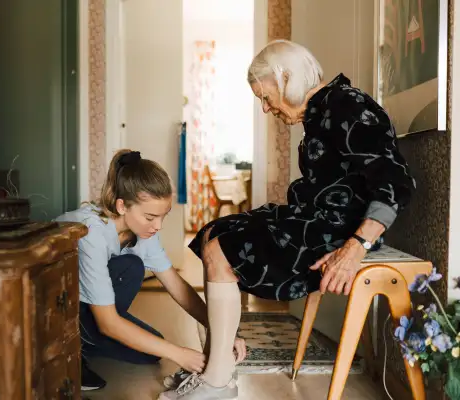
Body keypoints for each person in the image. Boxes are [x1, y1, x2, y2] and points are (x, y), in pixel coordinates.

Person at [158, 39, 415, 400]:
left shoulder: (347, 106)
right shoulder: (323, 110)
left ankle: (216, 381)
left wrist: (356, 247)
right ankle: (218, 364)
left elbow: (395, 182)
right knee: (213, 232)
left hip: (335, 234)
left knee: (221, 249)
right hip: (313, 221)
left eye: (266, 97)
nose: (265, 109)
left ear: (287, 78)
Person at [56, 149, 246, 392]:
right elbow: (108, 323)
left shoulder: (142, 231)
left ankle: (88, 343)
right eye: (150, 217)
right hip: (59, 315)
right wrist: (180, 355)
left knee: (151, 354)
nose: (158, 226)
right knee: (131, 268)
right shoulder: (92, 233)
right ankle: (72, 348)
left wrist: (222, 330)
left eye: (162, 217)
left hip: (91, 311)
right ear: (122, 206)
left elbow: (177, 287)